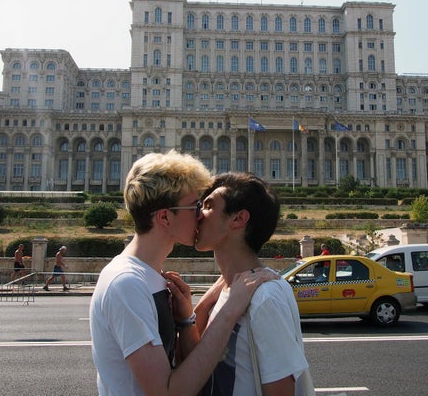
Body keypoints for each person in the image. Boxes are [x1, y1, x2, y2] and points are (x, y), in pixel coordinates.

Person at [89, 150, 276, 396]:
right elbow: (168, 392)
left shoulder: (151, 276)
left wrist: (189, 318)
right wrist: (231, 308)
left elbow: (180, 365)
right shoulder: (126, 284)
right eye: (194, 206)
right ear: (165, 217)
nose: (200, 214)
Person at [193, 172, 313, 396]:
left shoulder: (264, 297)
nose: (198, 214)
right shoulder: (228, 289)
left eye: (208, 206)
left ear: (238, 219)